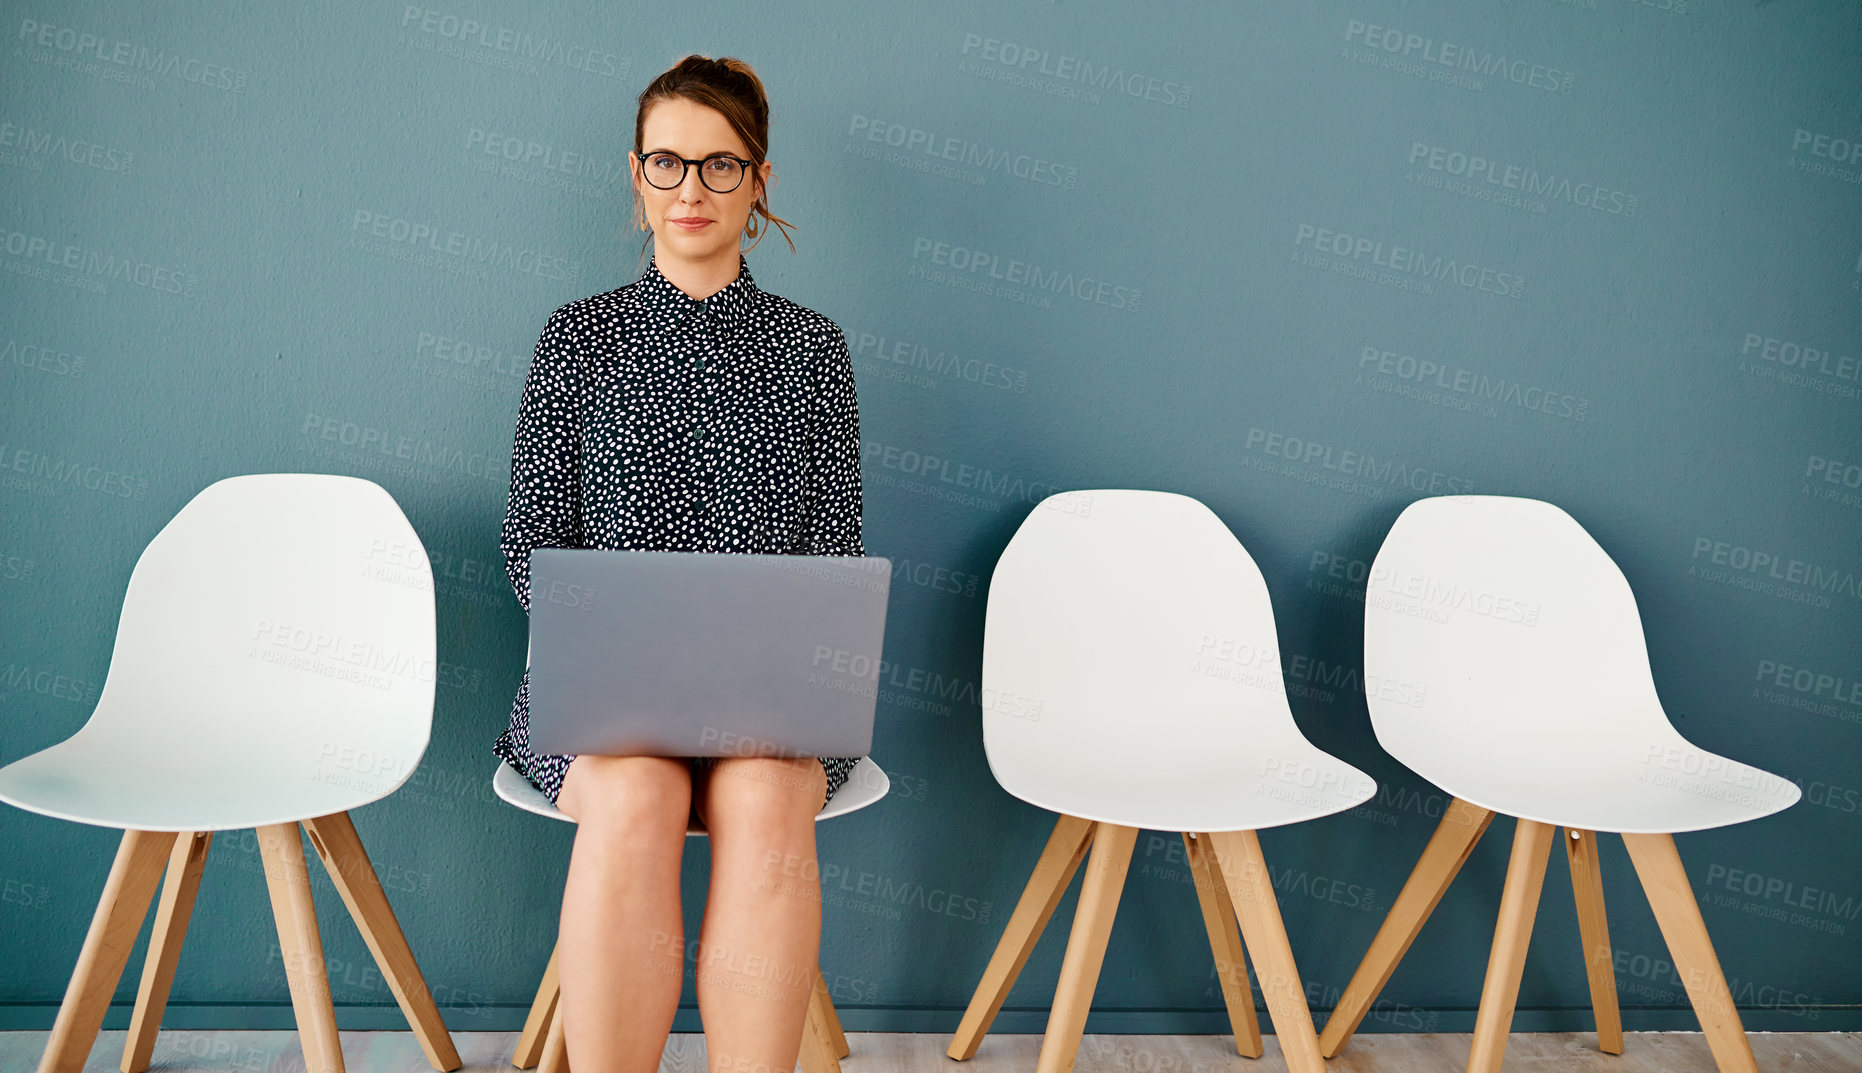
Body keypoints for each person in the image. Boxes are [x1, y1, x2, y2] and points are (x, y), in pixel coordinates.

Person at [491, 54, 867, 1073]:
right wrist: (606, 647)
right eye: (667, 163)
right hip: (601, 696)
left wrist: (777, 666)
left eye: (718, 165)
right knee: (634, 793)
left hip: (770, 701)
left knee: (768, 796)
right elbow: (532, 534)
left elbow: (831, 547)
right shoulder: (575, 337)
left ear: (759, 181)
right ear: (635, 174)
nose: (690, 190)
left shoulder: (811, 348)